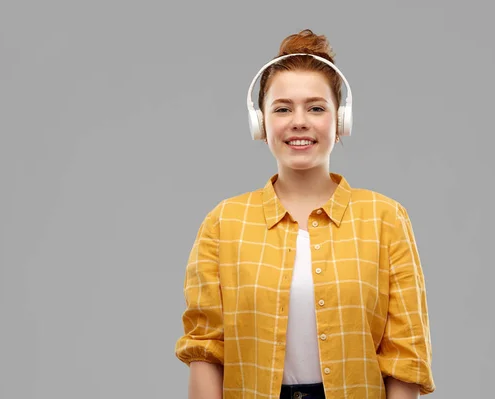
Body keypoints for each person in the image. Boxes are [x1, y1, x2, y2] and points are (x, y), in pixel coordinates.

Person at [175, 29, 436, 399]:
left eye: (316, 107)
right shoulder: (223, 223)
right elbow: (205, 349)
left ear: (340, 120)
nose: (299, 121)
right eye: (282, 108)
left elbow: (405, 355)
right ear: (261, 123)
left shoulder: (385, 219)